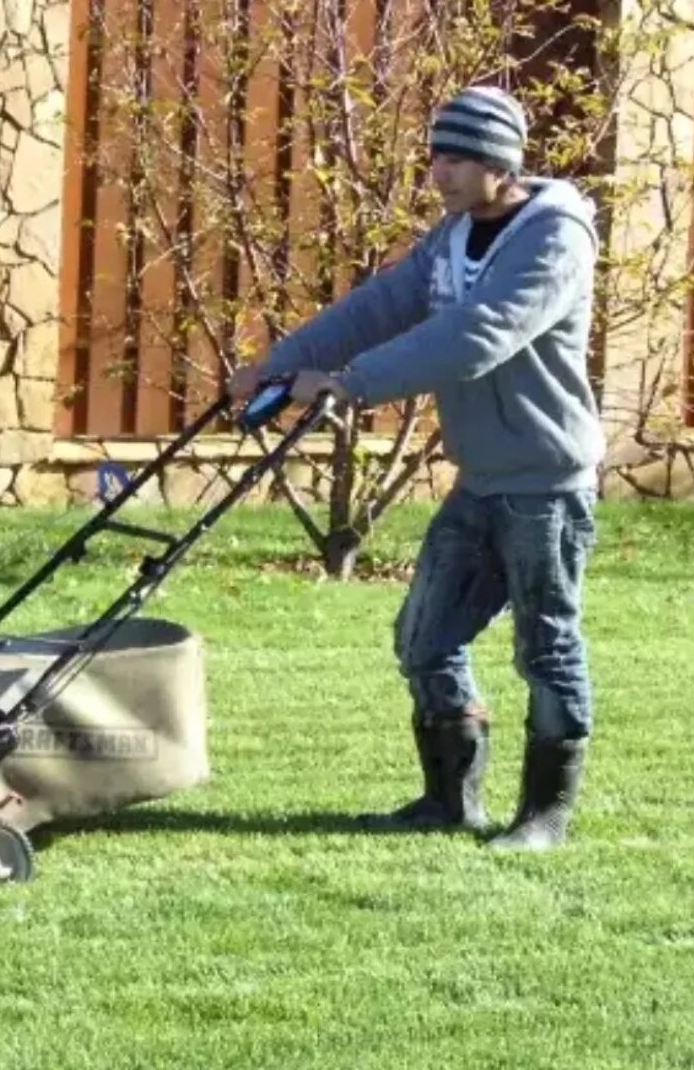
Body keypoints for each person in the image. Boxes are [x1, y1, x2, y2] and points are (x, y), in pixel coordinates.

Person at [228, 85, 603, 851]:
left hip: (545, 485)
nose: (441, 172)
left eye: (459, 158)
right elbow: (384, 304)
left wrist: (350, 383)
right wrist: (283, 363)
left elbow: (479, 335)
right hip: (479, 479)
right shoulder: (453, 234)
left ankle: (542, 817)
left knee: (547, 647)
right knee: (424, 638)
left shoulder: (552, 238)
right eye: (436, 154)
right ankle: (447, 800)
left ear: (500, 162)